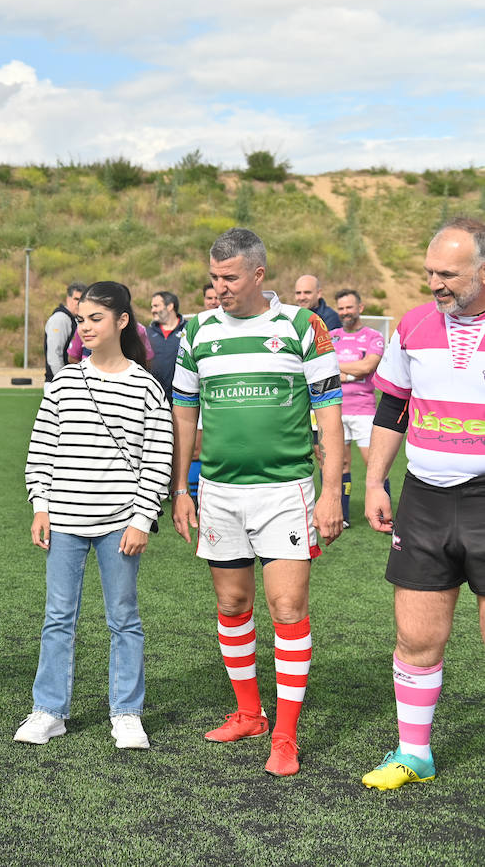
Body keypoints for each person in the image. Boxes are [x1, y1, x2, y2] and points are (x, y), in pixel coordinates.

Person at [170, 227, 343, 778]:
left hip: (285, 491)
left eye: (230, 277)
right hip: (219, 491)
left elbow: (330, 412)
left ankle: (285, 736)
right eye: (213, 277)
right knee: (231, 605)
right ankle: (249, 714)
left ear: (258, 275)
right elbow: (184, 415)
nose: (219, 287)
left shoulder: (302, 325)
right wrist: (181, 489)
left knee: (287, 608)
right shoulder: (195, 331)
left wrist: (332, 491)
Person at [18, 282, 173, 750]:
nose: (84, 327)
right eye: (81, 320)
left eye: (95, 319)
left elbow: (158, 457)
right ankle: (49, 711)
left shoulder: (146, 386)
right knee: (57, 618)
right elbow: (42, 447)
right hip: (64, 521)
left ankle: (126, 713)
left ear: (122, 321)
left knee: (123, 619)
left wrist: (142, 518)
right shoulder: (64, 381)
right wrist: (40, 505)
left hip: (120, 524)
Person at [360, 217, 485, 790]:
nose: (435, 283)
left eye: (449, 274)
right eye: (430, 272)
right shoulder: (412, 325)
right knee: (416, 638)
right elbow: (392, 408)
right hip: (425, 499)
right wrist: (374, 482)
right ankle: (415, 754)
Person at [329, 288, 386, 527]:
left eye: (349, 307)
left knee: (374, 464)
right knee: (340, 464)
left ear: (360, 308)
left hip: (364, 410)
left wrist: (338, 367)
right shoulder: (331, 336)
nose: (345, 312)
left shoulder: (373, 336)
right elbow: (323, 366)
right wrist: (352, 370)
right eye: (341, 308)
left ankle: (383, 514)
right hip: (335, 409)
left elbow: (367, 367)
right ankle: (343, 516)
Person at [146, 291, 184, 398]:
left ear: (170, 306)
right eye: (152, 307)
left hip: (182, 397)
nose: (152, 310)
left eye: (156, 306)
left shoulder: (188, 330)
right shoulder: (147, 333)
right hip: (154, 397)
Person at [44, 282, 85, 381]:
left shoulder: (75, 319)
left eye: (82, 300)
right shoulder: (60, 319)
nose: (79, 303)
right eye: (76, 299)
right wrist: (62, 380)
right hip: (58, 381)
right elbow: (54, 354)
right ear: (68, 299)